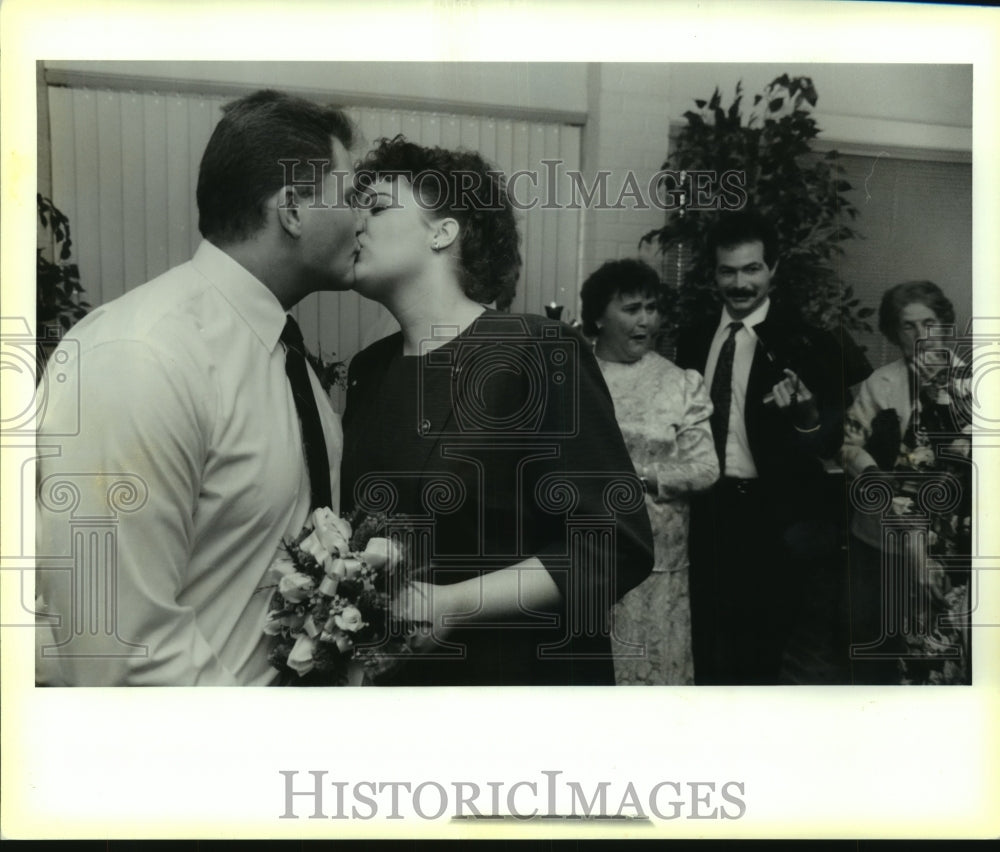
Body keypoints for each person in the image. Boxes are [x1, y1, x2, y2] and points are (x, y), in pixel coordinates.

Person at [35, 90, 358, 686]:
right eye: (349, 196)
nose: (363, 218)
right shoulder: (141, 356)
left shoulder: (290, 364)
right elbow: (120, 649)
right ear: (292, 209)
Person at [340, 135, 654, 686]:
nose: (355, 224)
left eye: (379, 207)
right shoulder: (369, 371)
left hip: (520, 678)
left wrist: (454, 603)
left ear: (444, 231)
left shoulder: (536, 350)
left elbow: (614, 542)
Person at [675, 210, 847, 685]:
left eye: (752, 269)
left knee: (762, 652)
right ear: (713, 274)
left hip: (773, 523)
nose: (740, 282)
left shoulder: (807, 342)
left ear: (773, 269)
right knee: (705, 640)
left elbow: (830, 440)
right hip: (707, 515)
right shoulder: (692, 338)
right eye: (728, 270)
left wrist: (807, 416)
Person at [580, 259, 718, 685]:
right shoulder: (575, 376)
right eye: (632, 308)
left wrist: (636, 477)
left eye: (652, 308)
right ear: (599, 316)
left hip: (657, 560)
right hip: (587, 552)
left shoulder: (681, 383)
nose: (646, 321)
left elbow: (706, 468)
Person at [839, 281, 971, 685]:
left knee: (943, 641)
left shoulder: (976, 384)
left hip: (951, 541)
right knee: (874, 635)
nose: (920, 335)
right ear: (895, 334)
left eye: (929, 322)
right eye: (908, 326)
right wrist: (873, 474)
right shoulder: (879, 384)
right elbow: (848, 446)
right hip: (882, 535)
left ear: (946, 326)